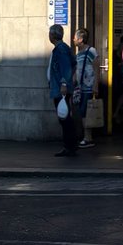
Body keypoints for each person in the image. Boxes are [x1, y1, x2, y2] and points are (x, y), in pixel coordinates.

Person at [47, 24, 78, 157]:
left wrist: (64, 83)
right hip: (60, 87)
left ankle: (69, 145)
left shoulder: (61, 49)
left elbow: (66, 67)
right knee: (64, 117)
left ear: (53, 36)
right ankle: (70, 145)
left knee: (64, 118)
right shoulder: (63, 48)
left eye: (49, 34)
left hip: (60, 89)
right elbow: (73, 64)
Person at [73, 28, 99, 149]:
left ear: (80, 39)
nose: (73, 39)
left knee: (86, 112)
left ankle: (88, 138)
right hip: (81, 88)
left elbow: (96, 68)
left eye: (75, 37)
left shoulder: (91, 51)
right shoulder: (78, 54)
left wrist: (95, 85)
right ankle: (86, 136)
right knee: (82, 112)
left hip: (89, 87)